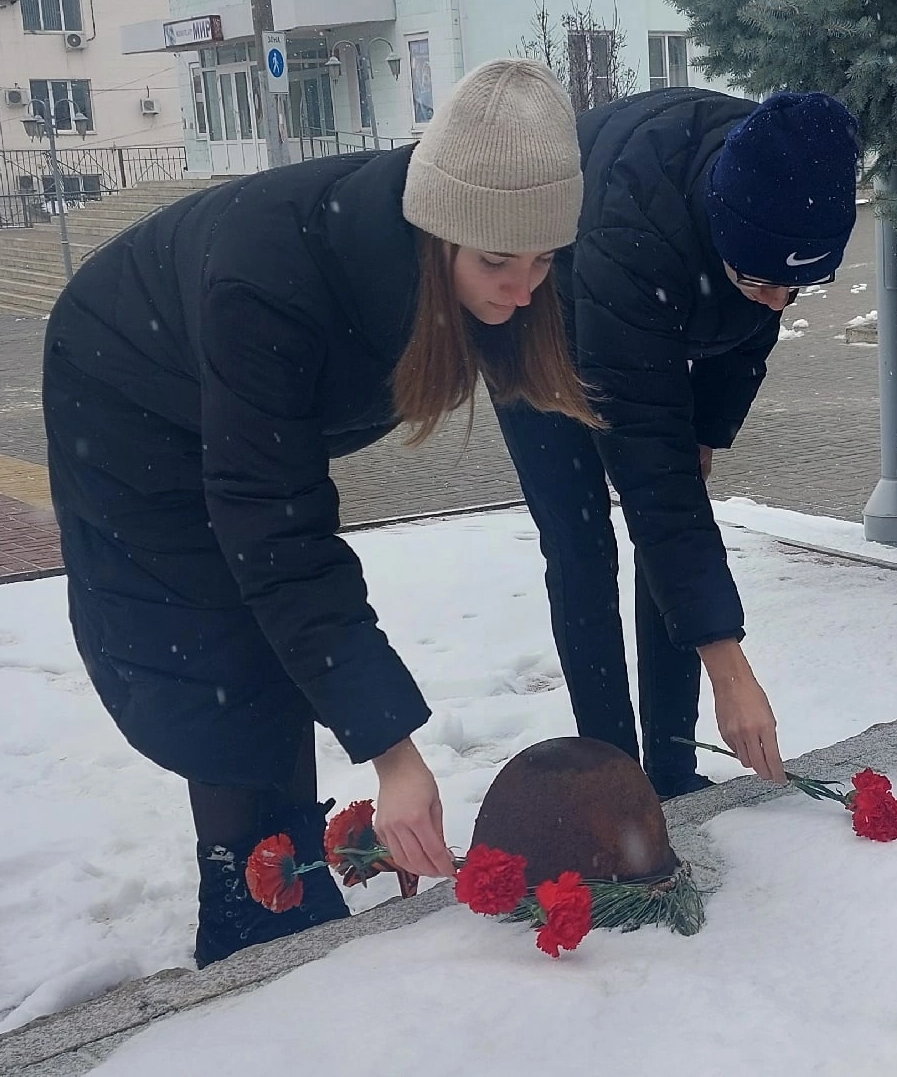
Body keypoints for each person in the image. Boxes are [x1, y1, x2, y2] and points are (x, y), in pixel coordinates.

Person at [43, 59, 599, 965]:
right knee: (218, 654)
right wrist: (392, 751)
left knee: (273, 643)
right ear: (435, 234)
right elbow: (279, 530)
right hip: (126, 393)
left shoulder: (481, 264)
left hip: (221, 401)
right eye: (499, 263)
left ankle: (286, 881)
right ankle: (245, 915)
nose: (525, 289)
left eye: (545, 261)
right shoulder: (277, 280)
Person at [497, 87, 863, 799]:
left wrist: (707, 433)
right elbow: (653, 485)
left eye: (798, 288)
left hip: (644, 304)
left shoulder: (773, 183)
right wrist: (731, 669)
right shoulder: (638, 230)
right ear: (721, 230)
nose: (776, 304)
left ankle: (671, 767)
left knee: (675, 519)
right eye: (758, 279)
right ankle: (614, 783)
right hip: (535, 318)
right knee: (582, 543)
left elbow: (741, 340)